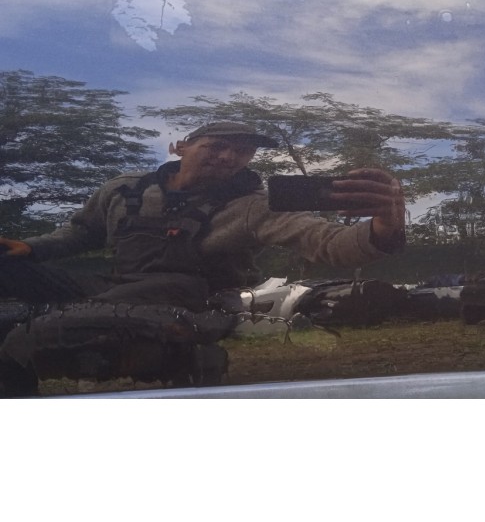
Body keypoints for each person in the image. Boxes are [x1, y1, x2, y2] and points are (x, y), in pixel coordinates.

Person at [0, 121, 405, 393]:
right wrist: (32, 248)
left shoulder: (253, 206)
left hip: (193, 304)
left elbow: (326, 241)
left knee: (172, 285)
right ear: (180, 147)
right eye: (217, 146)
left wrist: (383, 226)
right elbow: (81, 232)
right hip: (112, 289)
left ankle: (47, 336)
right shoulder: (123, 189)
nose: (229, 157)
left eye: (241, 152)